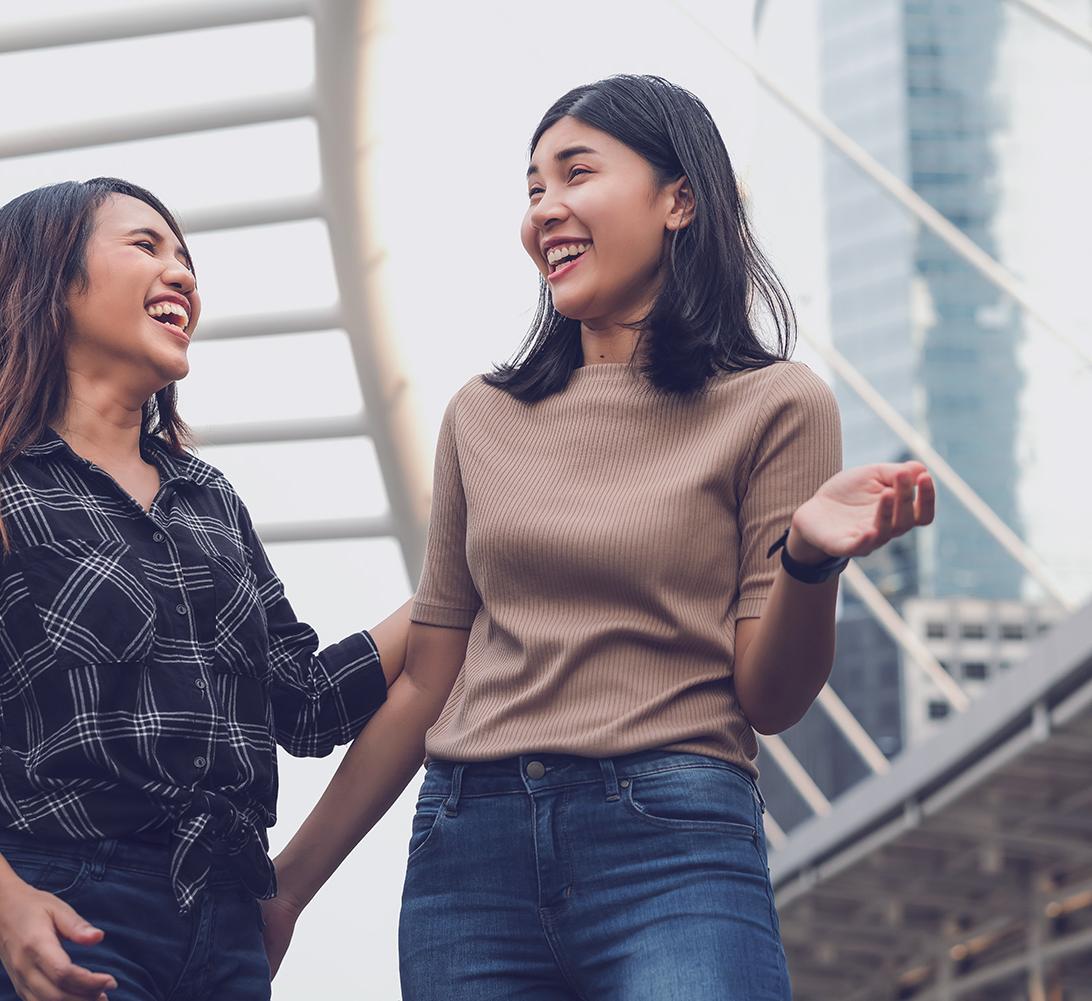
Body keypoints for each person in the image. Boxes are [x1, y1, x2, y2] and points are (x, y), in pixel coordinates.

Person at [263, 75, 935, 1000]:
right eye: (533, 189)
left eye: (576, 173)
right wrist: (289, 887)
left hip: (674, 844)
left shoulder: (777, 405)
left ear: (679, 200)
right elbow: (430, 676)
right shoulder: (481, 416)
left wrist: (808, 562)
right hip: (468, 856)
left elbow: (770, 698)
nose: (546, 210)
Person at [0, 177, 409, 1001]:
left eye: (185, 255)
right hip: (67, 910)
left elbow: (306, 704)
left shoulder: (211, 499)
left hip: (227, 928)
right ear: (48, 278)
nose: (182, 272)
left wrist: (458, 576)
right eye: (146, 246)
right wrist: (6, 903)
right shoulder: (10, 487)